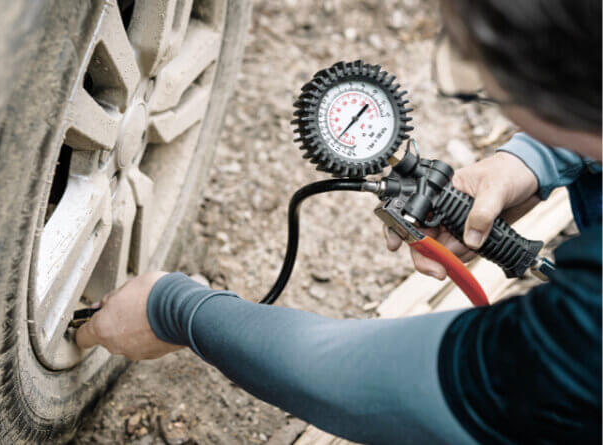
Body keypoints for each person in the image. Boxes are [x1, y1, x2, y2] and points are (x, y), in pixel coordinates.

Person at [76, 0, 601, 443]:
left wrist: (176, 310)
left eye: (489, 86)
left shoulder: (589, 327)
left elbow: (370, 382)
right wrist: (532, 160)